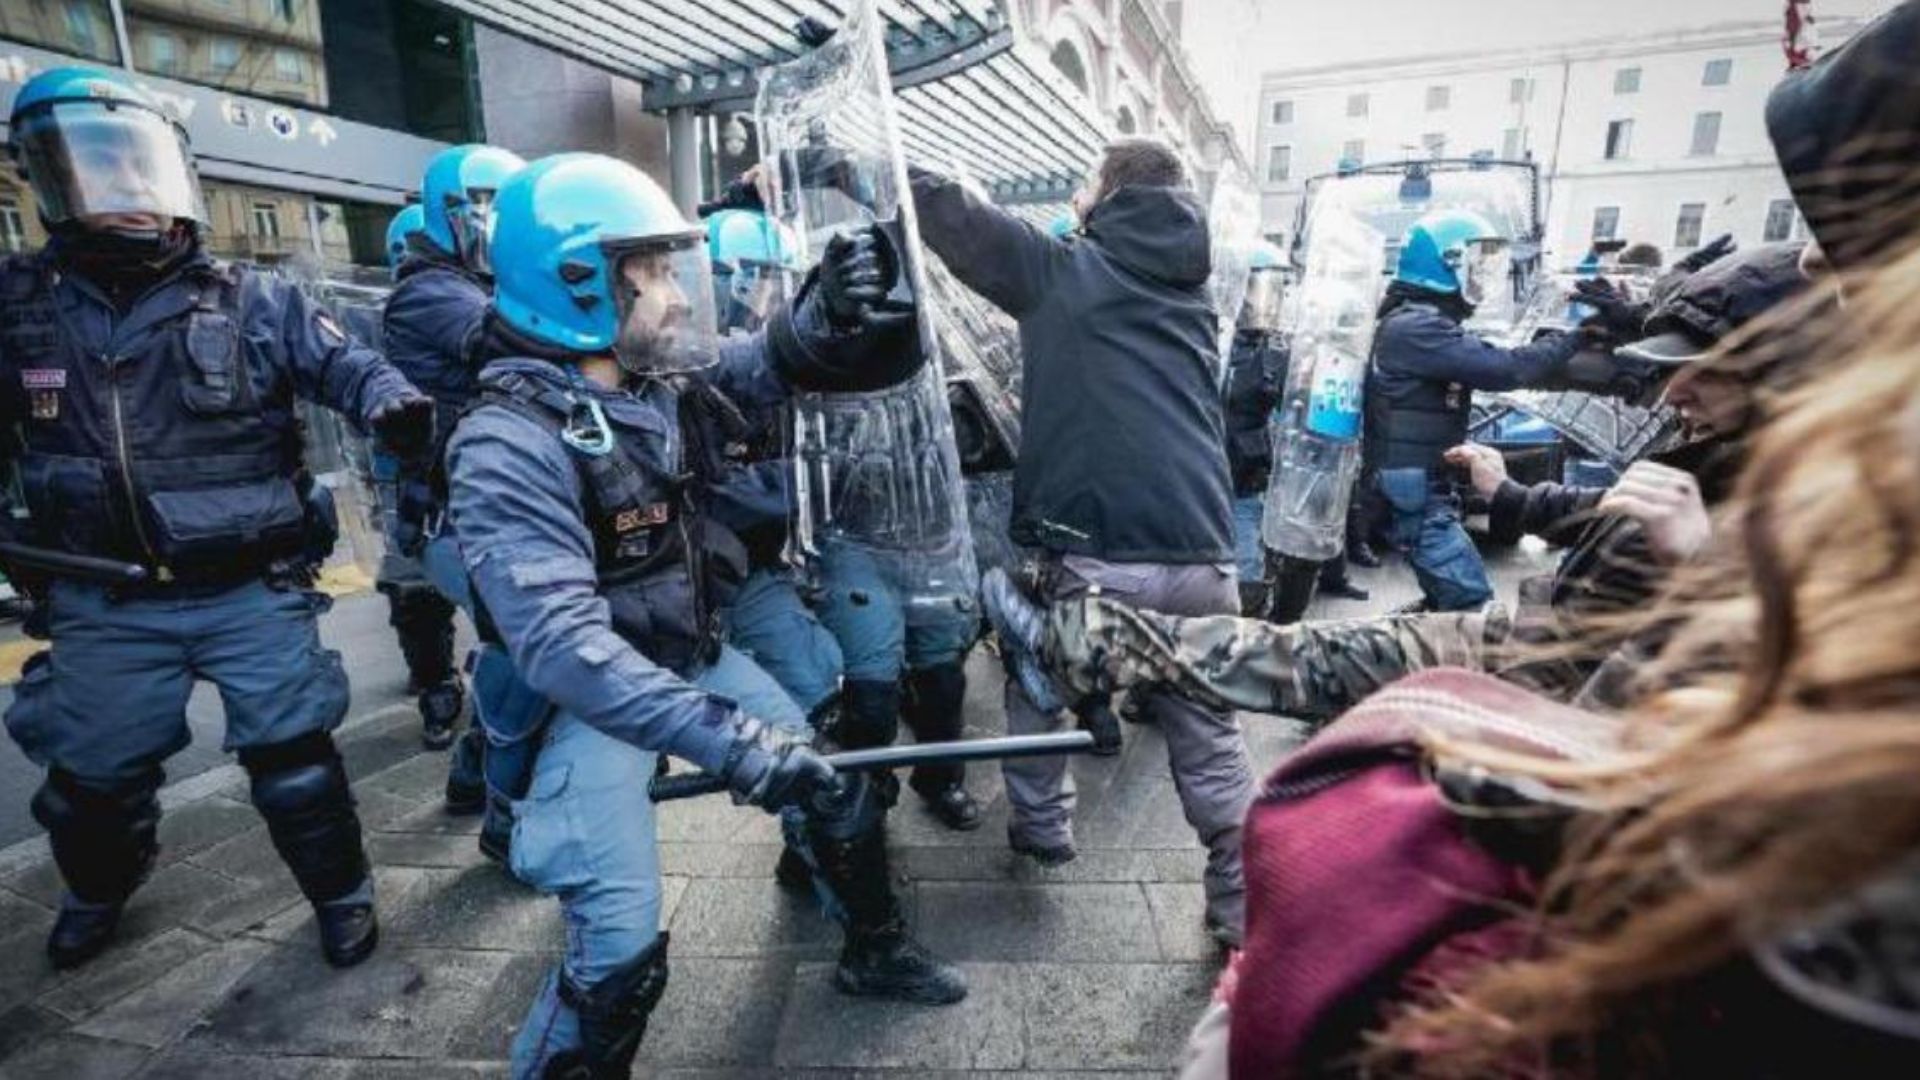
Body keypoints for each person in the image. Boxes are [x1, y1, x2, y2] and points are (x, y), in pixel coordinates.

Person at [445, 153, 967, 1078]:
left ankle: (873, 950)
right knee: (617, 947)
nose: (675, 295)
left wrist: (828, 309)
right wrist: (736, 741)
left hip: (686, 651)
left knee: (833, 780)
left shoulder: (653, 388)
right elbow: (567, 649)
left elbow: (764, 362)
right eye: (647, 273)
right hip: (585, 702)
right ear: (578, 287)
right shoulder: (505, 443)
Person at [985, 239, 1831, 723]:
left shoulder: (1820, 504)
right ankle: (1073, 642)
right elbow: (1618, 509)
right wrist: (1515, 498)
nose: (1676, 393)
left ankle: (1074, 644)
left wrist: (1706, 576)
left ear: (1780, 378)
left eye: (1703, 373)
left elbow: (1799, 704)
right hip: (1522, 642)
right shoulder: (1723, 456)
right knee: (1296, 655)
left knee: (1304, 667)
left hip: (1554, 708)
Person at [0, 67, 433, 970]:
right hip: (105, 595)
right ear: (48, 182)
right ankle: (97, 891)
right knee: (90, 787)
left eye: (132, 163)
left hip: (246, 583)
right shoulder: (21, 304)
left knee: (297, 765)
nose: (118, 189)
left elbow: (346, 365)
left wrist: (393, 403)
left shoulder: (253, 300)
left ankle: (342, 896)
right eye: (90, 168)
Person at [907, 137, 1256, 944]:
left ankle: (1042, 827)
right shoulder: (1195, 296)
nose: (1072, 197)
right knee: (1210, 734)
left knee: (1037, 684)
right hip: (1206, 554)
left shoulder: (1068, 273)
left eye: (1083, 184)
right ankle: (1241, 907)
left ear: (1111, 197)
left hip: (1101, 557)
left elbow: (959, 219)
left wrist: (849, 150)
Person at [382, 144, 533, 860]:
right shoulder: (432, 291)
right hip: (455, 519)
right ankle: (505, 814)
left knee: (517, 649)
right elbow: (503, 338)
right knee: (525, 652)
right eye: (483, 210)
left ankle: (474, 773)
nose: (495, 227)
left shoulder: (479, 283)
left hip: (485, 512)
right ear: (449, 215)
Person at [1365, 208, 1590, 612]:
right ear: (1444, 266)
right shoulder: (1415, 329)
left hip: (1423, 480)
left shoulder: (1421, 322)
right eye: (1476, 265)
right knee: (1471, 604)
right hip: (1413, 488)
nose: (1483, 279)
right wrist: (1574, 339)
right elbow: (1505, 369)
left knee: (1448, 598)